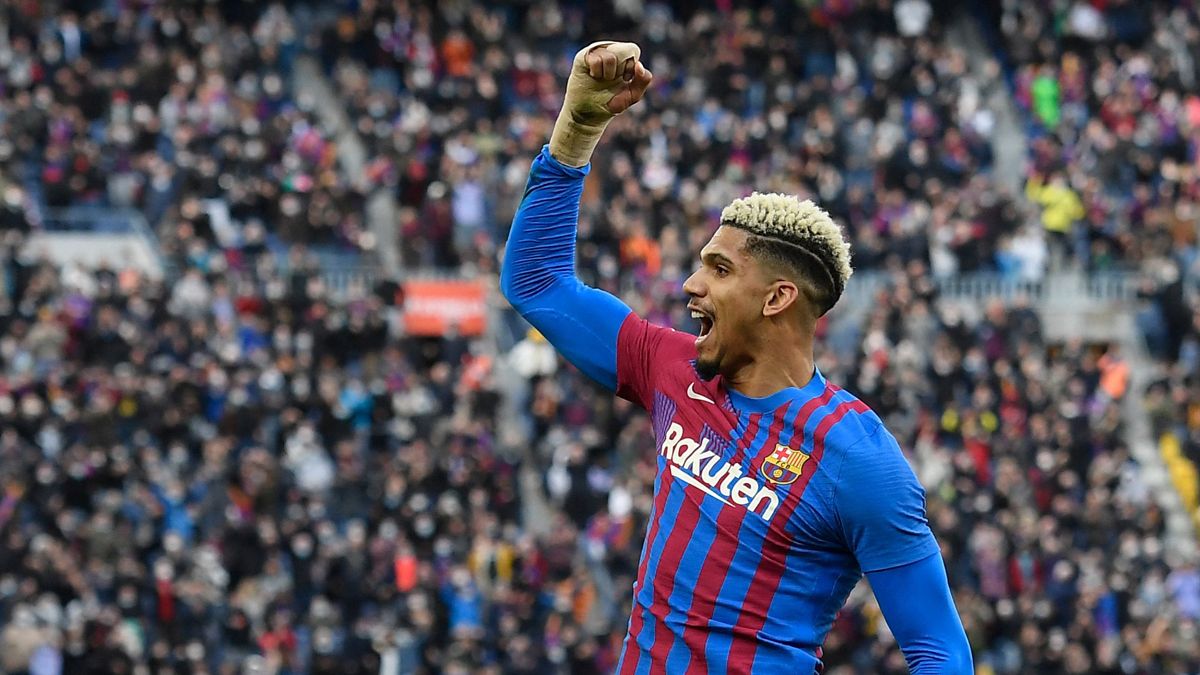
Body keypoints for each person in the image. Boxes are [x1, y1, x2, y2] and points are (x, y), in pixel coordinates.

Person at [501, 41, 973, 673]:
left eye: (718, 269)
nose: (691, 287)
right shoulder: (670, 369)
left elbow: (939, 651)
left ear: (777, 297)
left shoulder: (858, 461)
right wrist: (578, 128)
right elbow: (537, 283)